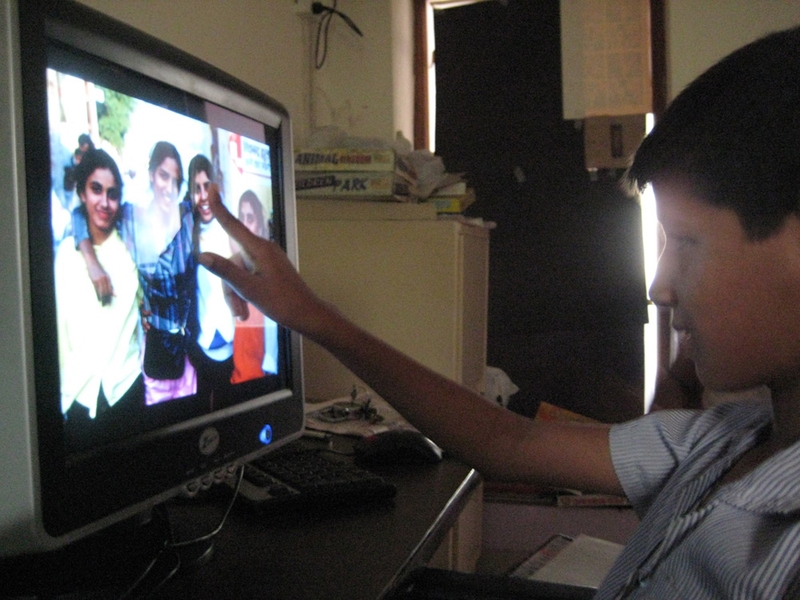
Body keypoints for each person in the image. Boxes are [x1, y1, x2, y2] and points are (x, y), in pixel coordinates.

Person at [199, 26, 800, 599]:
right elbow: (508, 443)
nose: (659, 286)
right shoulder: (722, 444)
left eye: (685, 242)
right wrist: (314, 317)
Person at [75, 141, 198, 405]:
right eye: (164, 175)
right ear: (152, 174)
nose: (169, 187)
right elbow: (79, 214)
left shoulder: (187, 217)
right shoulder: (130, 218)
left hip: (187, 358)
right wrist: (91, 260)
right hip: (153, 358)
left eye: (176, 180)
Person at [55, 148, 144, 448]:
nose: (104, 202)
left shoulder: (132, 250)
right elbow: (58, 332)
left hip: (127, 392)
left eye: (112, 193)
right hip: (78, 400)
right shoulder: (66, 255)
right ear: (81, 192)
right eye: (96, 189)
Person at [186, 154, 241, 408]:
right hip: (201, 344)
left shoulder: (231, 231)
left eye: (207, 186)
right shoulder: (187, 233)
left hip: (234, 340)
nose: (203, 195)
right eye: (196, 188)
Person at [230, 190, 279, 384]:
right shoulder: (237, 264)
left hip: (260, 380)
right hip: (239, 375)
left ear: (260, 223)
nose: (245, 223)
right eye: (241, 217)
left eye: (250, 217)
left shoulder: (269, 270)